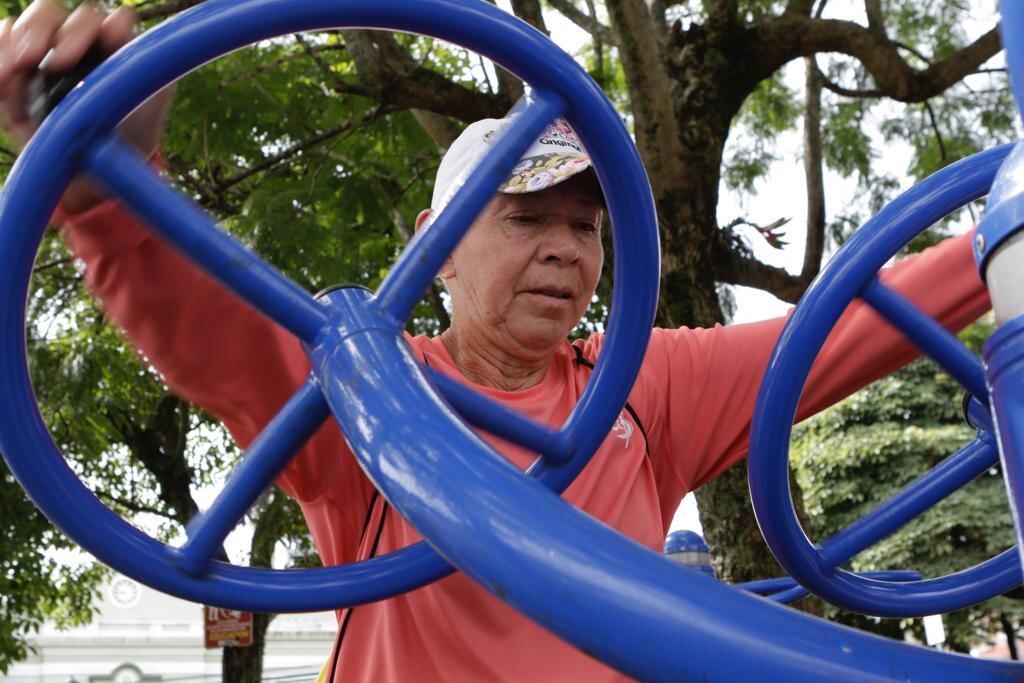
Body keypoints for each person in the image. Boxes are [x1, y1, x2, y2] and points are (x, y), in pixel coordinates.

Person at [0, 2, 992, 681]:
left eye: (587, 225)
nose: (566, 248)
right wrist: (112, 196)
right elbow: (228, 341)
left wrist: (1000, 234)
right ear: (437, 256)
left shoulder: (642, 384)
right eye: (525, 218)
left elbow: (848, 326)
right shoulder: (376, 394)